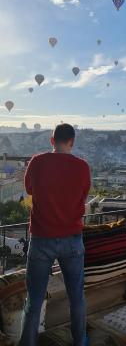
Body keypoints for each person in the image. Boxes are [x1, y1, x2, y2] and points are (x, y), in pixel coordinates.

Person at [19, 124, 91, 346]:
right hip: (72, 239)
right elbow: (83, 194)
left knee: (34, 300)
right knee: (76, 297)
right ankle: (80, 342)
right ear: (72, 141)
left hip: (42, 238)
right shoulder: (82, 167)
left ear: (52, 140)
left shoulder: (37, 162)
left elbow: (29, 189)